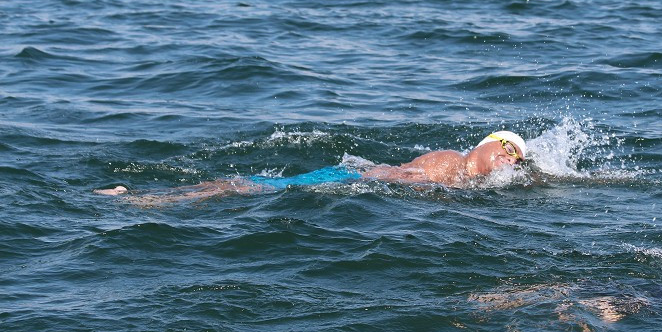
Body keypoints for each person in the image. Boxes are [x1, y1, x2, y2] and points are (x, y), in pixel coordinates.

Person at [94, 131, 528, 204]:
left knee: (256, 189)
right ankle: (141, 200)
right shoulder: (455, 164)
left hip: (353, 178)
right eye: (508, 148)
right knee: (250, 190)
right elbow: (402, 176)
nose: (510, 160)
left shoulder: (461, 172)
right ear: (486, 142)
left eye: (518, 159)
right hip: (352, 179)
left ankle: (146, 199)